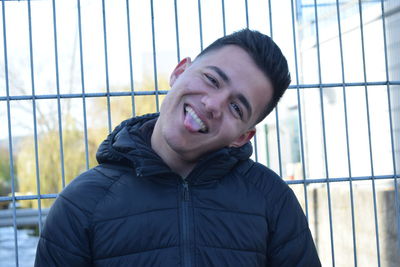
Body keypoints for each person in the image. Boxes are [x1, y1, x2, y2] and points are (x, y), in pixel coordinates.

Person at [35, 29, 321, 266]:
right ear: (179, 71)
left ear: (243, 137)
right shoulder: (82, 203)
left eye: (236, 107)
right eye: (211, 79)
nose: (212, 104)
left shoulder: (273, 202)